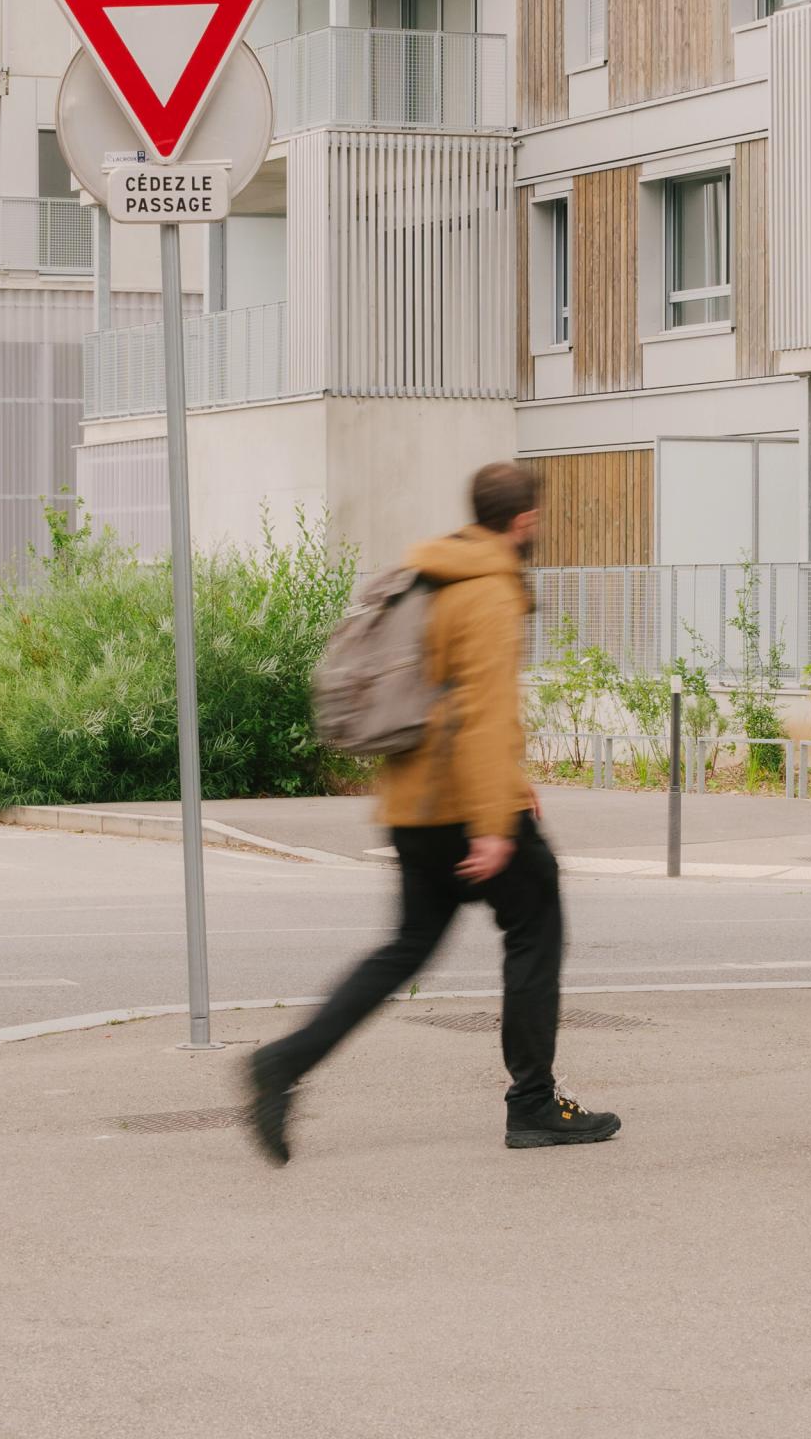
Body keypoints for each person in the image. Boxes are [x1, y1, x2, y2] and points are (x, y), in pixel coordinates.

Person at [246, 459, 619, 1160]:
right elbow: (479, 712)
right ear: (523, 522)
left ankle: (283, 1064)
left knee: (404, 948)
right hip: (465, 810)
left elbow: (441, 700)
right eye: (537, 520)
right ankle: (534, 1105)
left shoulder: (433, 572)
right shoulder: (490, 591)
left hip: (413, 807)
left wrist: (510, 782)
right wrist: (491, 825)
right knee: (537, 927)